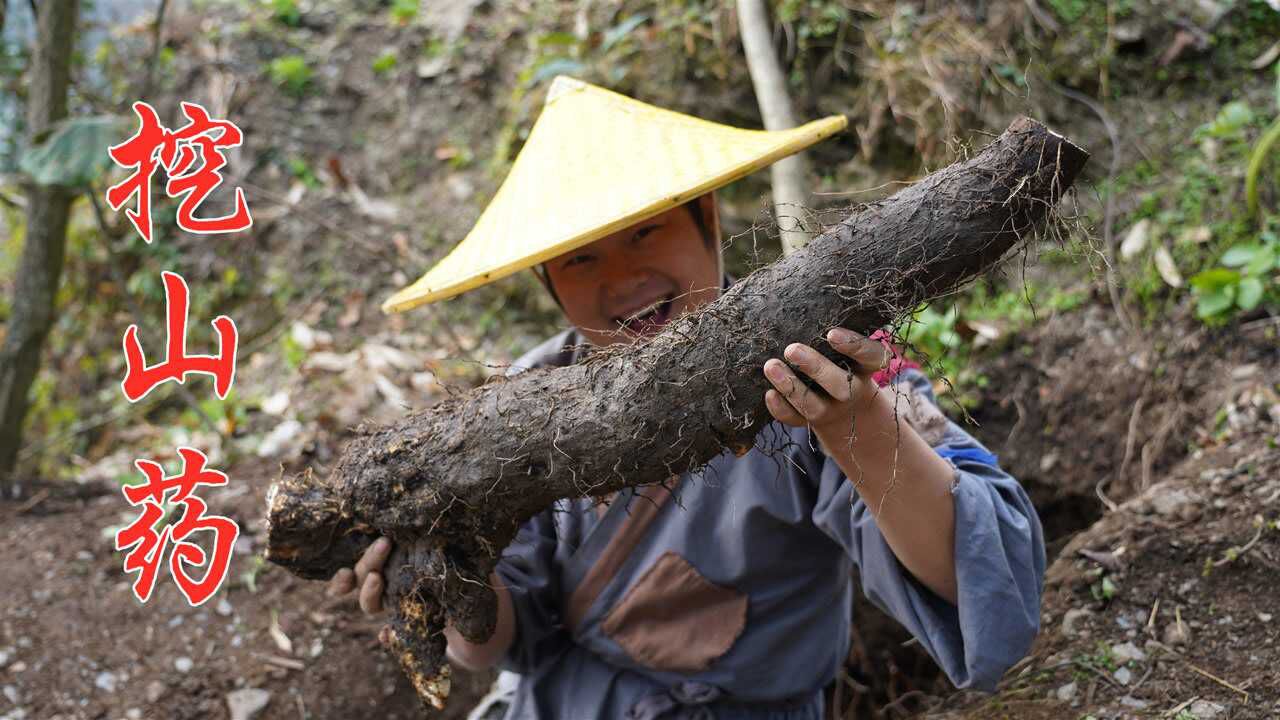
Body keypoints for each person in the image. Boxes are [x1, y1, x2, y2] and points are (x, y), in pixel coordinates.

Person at [328, 77, 1045, 719]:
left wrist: (859, 423)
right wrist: (448, 583)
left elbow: (986, 582)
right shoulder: (523, 401)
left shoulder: (822, 366)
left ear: (706, 215)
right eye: (580, 258)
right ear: (546, 280)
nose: (624, 277)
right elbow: (504, 643)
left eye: (646, 230)